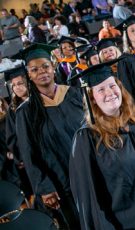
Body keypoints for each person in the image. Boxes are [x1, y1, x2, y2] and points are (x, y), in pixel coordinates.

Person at [68, 61, 135, 230]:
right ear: (92, 99)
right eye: (100, 90)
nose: (109, 93)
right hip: (133, 224)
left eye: (112, 86)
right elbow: (90, 200)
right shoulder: (87, 139)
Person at [15, 44, 83, 229]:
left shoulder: (74, 95)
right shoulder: (26, 112)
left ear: (53, 66)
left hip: (90, 170)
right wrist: (44, 188)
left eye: (45, 66)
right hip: (61, 182)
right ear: (28, 75)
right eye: (34, 69)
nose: (42, 72)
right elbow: (29, 154)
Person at [4, 65, 32, 198]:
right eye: (14, 85)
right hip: (30, 156)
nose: (17, 87)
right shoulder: (13, 109)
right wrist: (20, 156)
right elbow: (12, 136)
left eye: (20, 83)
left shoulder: (39, 100)